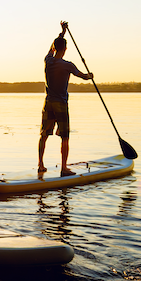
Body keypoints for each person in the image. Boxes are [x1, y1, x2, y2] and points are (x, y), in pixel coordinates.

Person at [38, 21, 93, 176]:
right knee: (65, 137)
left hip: (48, 103)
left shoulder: (48, 60)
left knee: (44, 134)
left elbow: (51, 48)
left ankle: (40, 164)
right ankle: (64, 168)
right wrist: (90, 76)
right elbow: (83, 76)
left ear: (55, 48)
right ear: (66, 49)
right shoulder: (68, 65)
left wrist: (62, 33)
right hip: (61, 104)